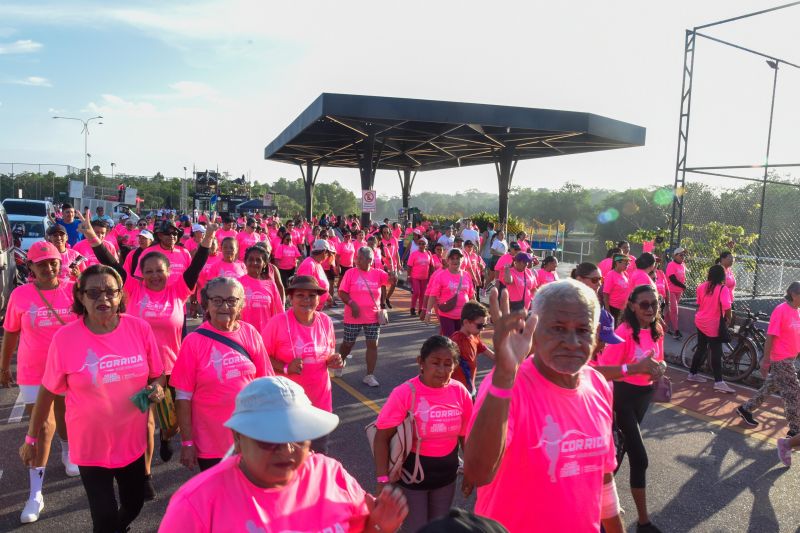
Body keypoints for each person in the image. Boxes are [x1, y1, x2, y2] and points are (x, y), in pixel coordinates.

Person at [464, 280, 623, 533]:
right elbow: (477, 473)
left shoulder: (599, 384)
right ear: (533, 330)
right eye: (558, 328)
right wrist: (504, 376)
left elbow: (603, 477)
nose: (572, 342)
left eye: (583, 330)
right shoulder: (508, 386)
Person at [20, 264, 165, 533]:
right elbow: (48, 391)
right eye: (94, 292)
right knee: (104, 518)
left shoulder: (139, 328)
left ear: (121, 295)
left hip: (131, 440)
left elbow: (158, 374)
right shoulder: (65, 338)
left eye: (111, 291)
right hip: (90, 446)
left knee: (134, 505)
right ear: (81, 296)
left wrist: (156, 388)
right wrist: (31, 438)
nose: (104, 298)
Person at [160, 376, 408, 532]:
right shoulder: (197, 505)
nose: (287, 450)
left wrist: (380, 527)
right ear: (238, 438)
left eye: (299, 438)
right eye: (269, 439)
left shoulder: (331, 473)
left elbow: (364, 526)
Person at [81, 213, 218, 491]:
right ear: (141, 273)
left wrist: (208, 238)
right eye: (150, 271)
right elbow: (110, 264)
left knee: (173, 423)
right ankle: (145, 476)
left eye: (160, 271)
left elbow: (198, 265)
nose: (155, 276)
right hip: (138, 368)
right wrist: (93, 239)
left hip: (172, 368)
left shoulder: (179, 290)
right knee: (145, 421)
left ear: (169, 272)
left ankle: (167, 438)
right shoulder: (131, 288)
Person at [1, 242, 79, 523]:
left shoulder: (74, 290)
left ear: (61, 263)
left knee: (65, 414)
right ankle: (36, 494)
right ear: (30, 267)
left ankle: (68, 451)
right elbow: (10, 332)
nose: (48, 268)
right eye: (41, 264)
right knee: (42, 425)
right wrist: (3, 367)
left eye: (53, 262)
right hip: (34, 370)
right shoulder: (21, 295)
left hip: (70, 368)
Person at [172, 277, 273, 472]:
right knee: (219, 498)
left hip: (249, 438)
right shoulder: (193, 342)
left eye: (231, 300)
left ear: (241, 304)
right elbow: (183, 397)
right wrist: (187, 443)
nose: (224, 306)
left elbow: (266, 384)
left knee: (249, 495)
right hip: (211, 444)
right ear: (206, 304)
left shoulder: (250, 333)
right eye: (217, 300)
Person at [373, 336, 473, 532]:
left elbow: (466, 436)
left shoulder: (460, 392)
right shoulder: (405, 393)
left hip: (446, 476)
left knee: (439, 529)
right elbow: (381, 438)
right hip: (413, 479)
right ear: (421, 362)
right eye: (435, 363)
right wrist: (382, 481)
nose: (442, 370)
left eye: (448, 364)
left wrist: (470, 471)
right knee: (418, 529)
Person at [597, 285, 666, 533]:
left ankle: (601, 509)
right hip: (622, 397)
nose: (650, 309)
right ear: (632, 306)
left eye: (655, 304)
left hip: (644, 396)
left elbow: (658, 357)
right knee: (640, 457)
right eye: (645, 304)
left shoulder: (657, 329)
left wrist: (661, 367)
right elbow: (603, 370)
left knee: (619, 453)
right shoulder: (623, 333)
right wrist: (635, 369)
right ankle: (644, 522)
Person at [262, 276, 342, 452]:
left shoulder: (325, 322)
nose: (306, 300)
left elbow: (327, 353)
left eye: (312, 296)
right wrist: (285, 367)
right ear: (291, 298)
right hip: (287, 407)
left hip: (320, 404)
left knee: (318, 458)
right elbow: (261, 356)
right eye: (300, 295)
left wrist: (333, 360)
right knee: (289, 464)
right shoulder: (278, 323)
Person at [736, 282, 800, 436]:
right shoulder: (781, 310)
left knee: (769, 387)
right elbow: (770, 336)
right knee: (794, 392)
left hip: (790, 357)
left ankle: (745, 409)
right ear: (793, 294)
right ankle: (795, 430)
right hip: (780, 359)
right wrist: (766, 361)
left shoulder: (797, 311)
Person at [338, 247, 394, 387]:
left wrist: (394, 277)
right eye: (357, 257)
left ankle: (369, 375)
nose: (357, 260)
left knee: (372, 345)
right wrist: (352, 304)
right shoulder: (350, 273)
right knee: (348, 343)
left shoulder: (378, 274)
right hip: (353, 316)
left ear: (369, 260)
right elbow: (342, 292)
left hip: (372, 316)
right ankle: (340, 361)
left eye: (361, 258)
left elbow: (392, 282)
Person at [687, 265, 735, 394]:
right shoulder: (723, 289)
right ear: (721, 276)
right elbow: (727, 306)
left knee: (701, 348)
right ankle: (719, 382)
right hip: (713, 323)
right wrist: (728, 319)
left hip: (700, 320)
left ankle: (692, 373)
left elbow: (699, 303)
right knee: (716, 352)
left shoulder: (702, 286)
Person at [424, 248, 475, 338]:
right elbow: (433, 296)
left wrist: (475, 312)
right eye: (452, 258)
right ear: (447, 260)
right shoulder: (441, 276)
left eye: (458, 258)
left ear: (462, 260)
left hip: (463, 316)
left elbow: (471, 296)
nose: (455, 261)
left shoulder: (466, 275)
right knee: (451, 341)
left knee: (462, 341)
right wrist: (428, 312)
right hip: (447, 315)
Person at [450, 301, 495, 396]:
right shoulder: (456, 341)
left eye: (484, 325)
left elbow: (493, 356)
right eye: (480, 325)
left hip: (470, 389)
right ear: (466, 322)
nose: (482, 329)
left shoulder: (475, 338)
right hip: (457, 392)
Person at [239, 246, 284, 332]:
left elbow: (279, 313)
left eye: (258, 260)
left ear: (264, 264)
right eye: (251, 259)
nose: (254, 263)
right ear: (245, 262)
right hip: (244, 335)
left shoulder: (271, 285)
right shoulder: (237, 284)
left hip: (266, 335)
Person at [297, 239, 334, 309]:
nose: (328, 256)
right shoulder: (309, 265)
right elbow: (304, 289)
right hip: (310, 309)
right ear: (324, 252)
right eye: (328, 254)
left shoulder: (317, 263)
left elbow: (320, 284)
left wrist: (327, 296)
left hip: (316, 308)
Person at [666, 247, 688, 340]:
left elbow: (683, 277)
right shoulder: (671, 264)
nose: (683, 257)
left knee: (671, 311)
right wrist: (683, 286)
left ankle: (663, 326)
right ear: (675, 255)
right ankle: (676, 331)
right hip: (671, 290)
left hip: (679, 291)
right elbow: (672, 279)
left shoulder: (683, 265)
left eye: (684, 255)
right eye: (681, 255)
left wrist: (683, 285)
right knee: (674, 310)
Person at [407, 237, 433, 316]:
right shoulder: (414, 254)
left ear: (426, 245)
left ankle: (420, 309)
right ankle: (412, 307)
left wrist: (431, 276)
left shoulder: (428, 254)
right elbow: (409, 266)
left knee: (423, 294)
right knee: (416, 292)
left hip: (425, 277)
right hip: (415, 277)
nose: (421, 245)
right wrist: (408, 276)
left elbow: (432, 266)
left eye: (423, 244)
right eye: (420, 244)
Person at [603, 253, 631, 325]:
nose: (627, 266)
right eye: (625, 263)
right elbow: (606, 294)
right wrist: (607, 311)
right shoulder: (610, 275)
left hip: (623, 309)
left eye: (628, 264)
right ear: (617, 263)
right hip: (613, 308)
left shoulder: (625, 274)